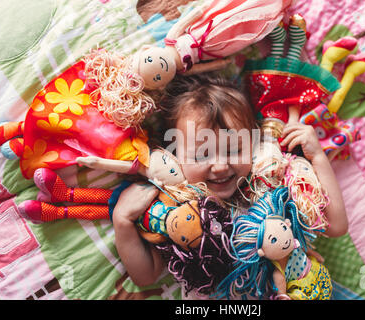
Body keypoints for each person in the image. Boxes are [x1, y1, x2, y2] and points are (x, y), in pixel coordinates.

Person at [111, 72, 348, 293]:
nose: (221, 166)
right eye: (201, 155)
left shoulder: (271, 185)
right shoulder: (180, 210)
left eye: (234, 149)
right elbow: (146, 276)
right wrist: (122, 221)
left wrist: (316, 157)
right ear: (171, 156)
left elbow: (336, 226)